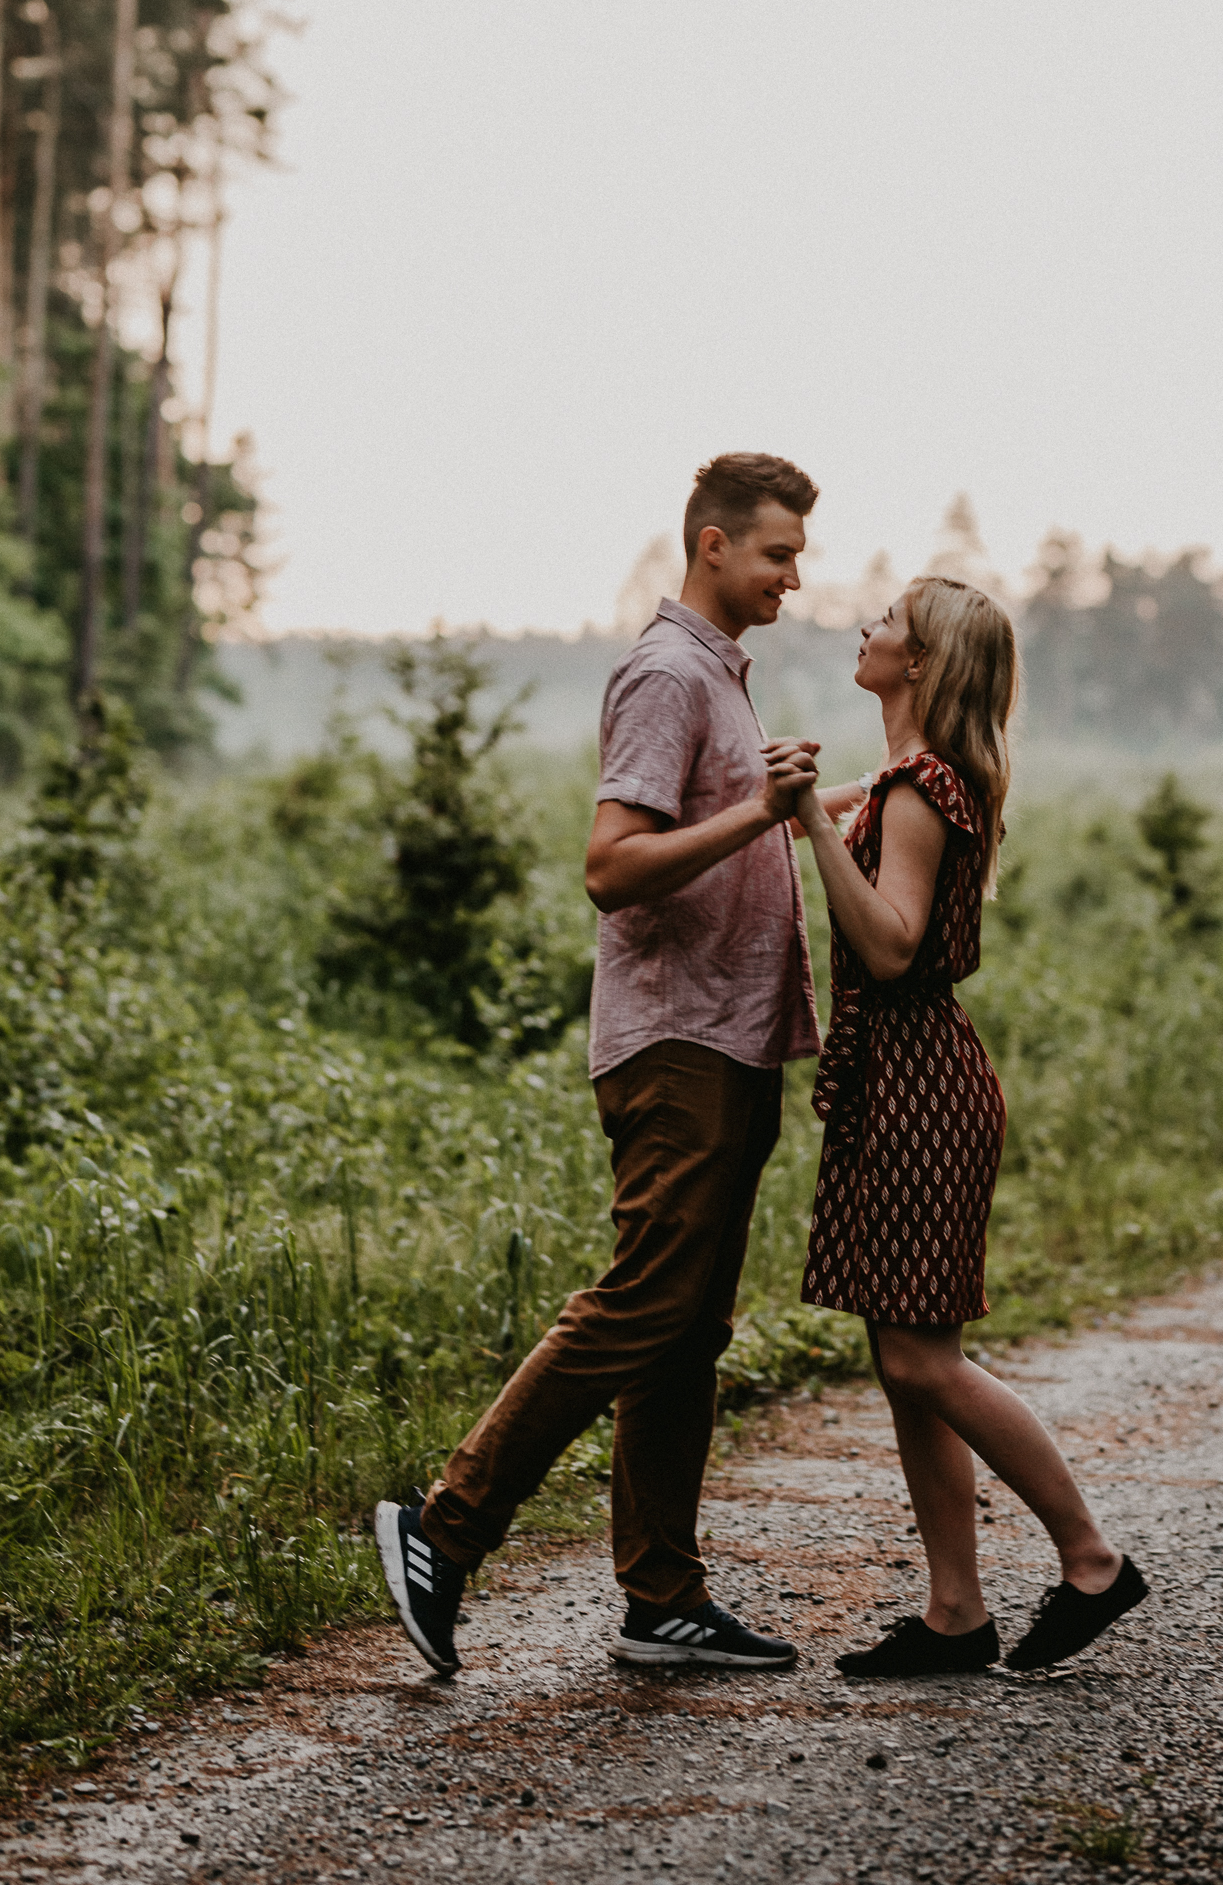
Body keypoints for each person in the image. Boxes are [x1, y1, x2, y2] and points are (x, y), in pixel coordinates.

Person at [376, 451, 860, 1676]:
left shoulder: (719, 673)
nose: (794, 578)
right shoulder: (666, 672)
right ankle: (444, 1525)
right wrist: (757, 813)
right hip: (678, 1038)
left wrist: (821, 806)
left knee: (689, 1326)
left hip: (732, 1036)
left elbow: (726, 826)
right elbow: (610, 865)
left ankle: (663, 1596)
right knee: (646, 1298)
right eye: (778, 554)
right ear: (712, 544)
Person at [780, 576, 1146, 1677]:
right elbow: (851, 800)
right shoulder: (914, 777)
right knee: (903, 1356)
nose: (867, 626)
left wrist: (810, 820)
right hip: (905, 1078)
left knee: (922, 1357)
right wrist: (800, 798)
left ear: (923, 661)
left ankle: (1090, 1559)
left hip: (918, 1083)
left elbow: (891, 947)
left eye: (888, 620)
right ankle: (955, 1611)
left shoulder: (919, 789)